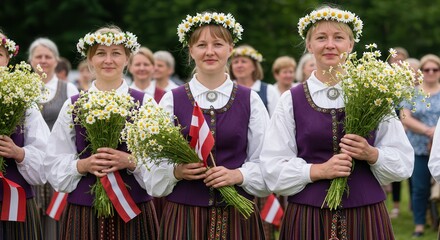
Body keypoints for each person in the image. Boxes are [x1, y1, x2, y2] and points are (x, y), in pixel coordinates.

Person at [260, 6, 414, 240]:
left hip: (365, 215)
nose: (330, 45)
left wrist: (372, 154)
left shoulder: (374, 95)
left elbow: (403, 161)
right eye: (321, 38)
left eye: (338, 37)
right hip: (307, 217)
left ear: (350, 45)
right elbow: (272, 167)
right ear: (309, 45)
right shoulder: (291, 100)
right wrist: (317, 171)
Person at [145, 12, 270, 239]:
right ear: (191, 51)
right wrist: (176, 172)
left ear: (230, 48)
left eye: (218, 44)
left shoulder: (249, 99)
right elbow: (152, 164)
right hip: (184, 218)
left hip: (238, 217)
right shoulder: (172, 99)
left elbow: (267, 160)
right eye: (201, 45)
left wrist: (238, 175)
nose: (210, 51)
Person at [44, 25, 159, 239]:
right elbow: (53, 161)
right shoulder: (73, 105)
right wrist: (82, 165)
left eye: (116, 53)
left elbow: (161, 162)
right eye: (100, 53)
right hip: (84, 212)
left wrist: (131, 161)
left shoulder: (145, 103)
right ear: (90, 59)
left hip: (133, 210)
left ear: (127, 59)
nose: (108, 60)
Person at [28, 37, 79, 240]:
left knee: (56, 222)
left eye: (48, 56)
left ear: (56, 60)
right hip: (31, 164)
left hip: (58, 164)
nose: (43, 60)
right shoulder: (20, 88)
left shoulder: (69, 89)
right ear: (31, 60)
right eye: (38, 56)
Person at [0, 32, 50, 240]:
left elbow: (46, 163)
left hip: (15, 206)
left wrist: (18, 152)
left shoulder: (25, 103)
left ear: (8, 59)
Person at [401, 54, 440, 237]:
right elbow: (405, 117)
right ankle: (419, 224)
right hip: (418, 147)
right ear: (421, 72)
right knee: (420, 187)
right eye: (427, 69)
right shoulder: (412, 93)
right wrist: (429, 131)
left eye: (435, 69)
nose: (431, 72)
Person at [230, 44, 279, 116]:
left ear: (254, 66)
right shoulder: (226, 89)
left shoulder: (269, 90)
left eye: (243, 61)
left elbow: (276, 121)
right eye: (236, 62)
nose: (239, 65)